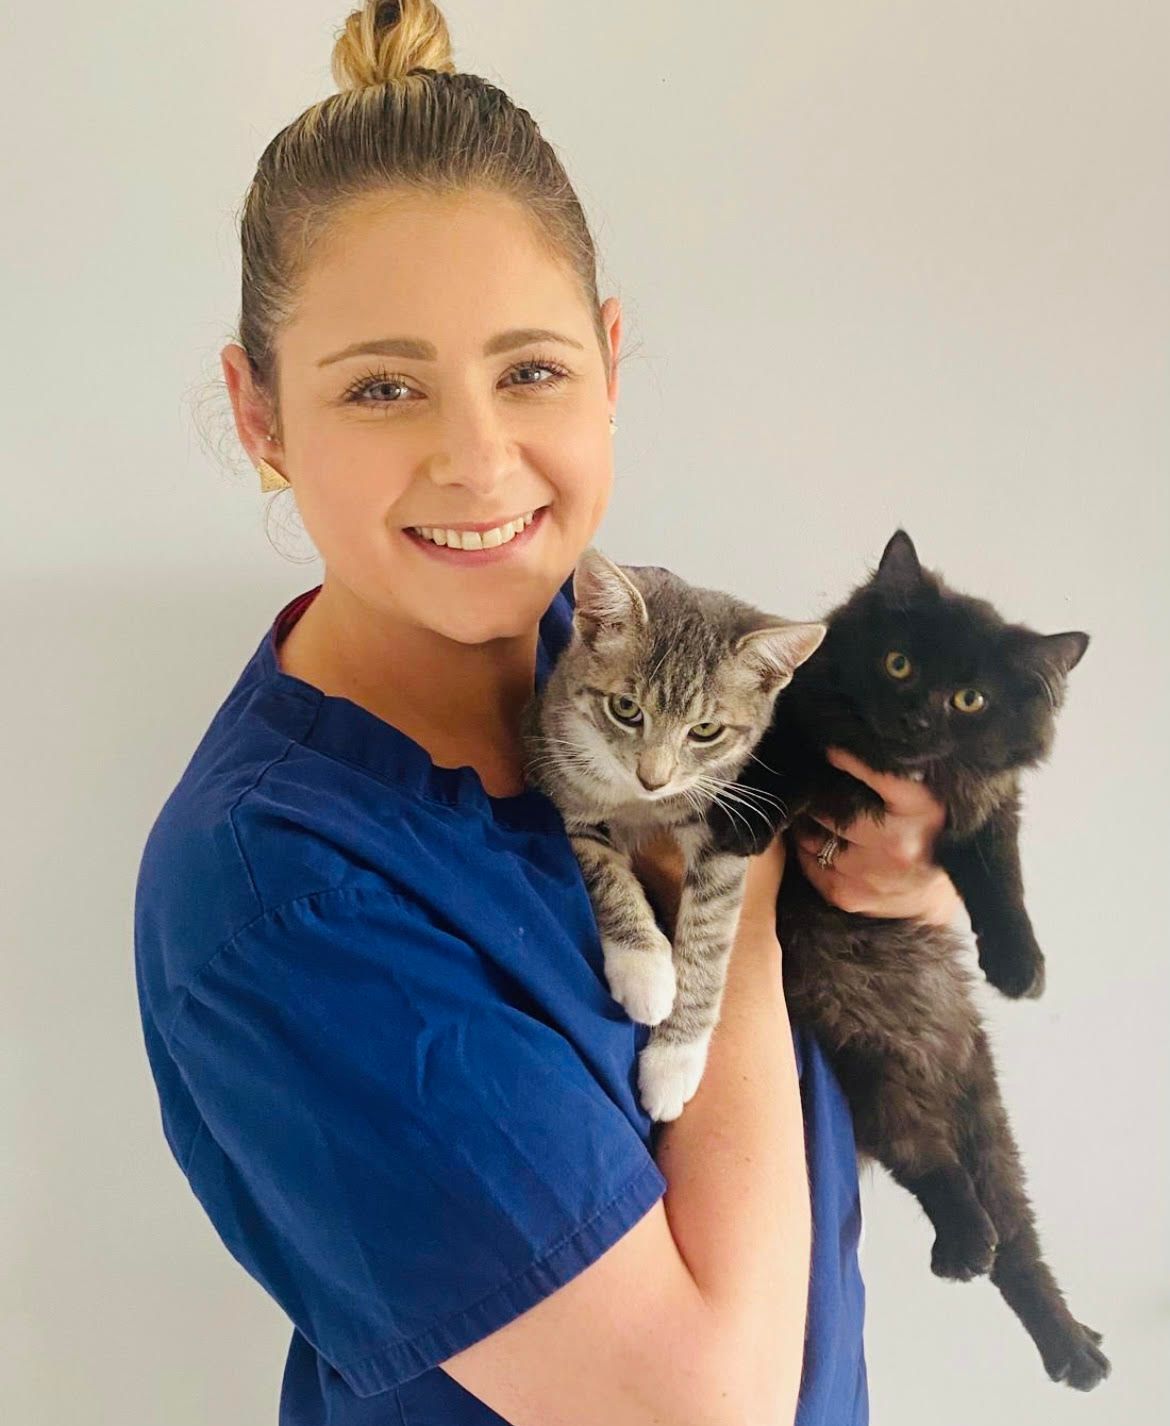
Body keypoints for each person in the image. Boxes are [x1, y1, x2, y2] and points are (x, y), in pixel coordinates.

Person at [133, 4, 960, 1423]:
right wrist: (743, 880)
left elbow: (806, 1150)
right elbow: (701, 1407)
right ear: (259, 415)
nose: (476, 458)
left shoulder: (641, 666)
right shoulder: (283, 896)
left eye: (529, 370)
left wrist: (894, 896)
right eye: (382, 387)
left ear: (611, 361)